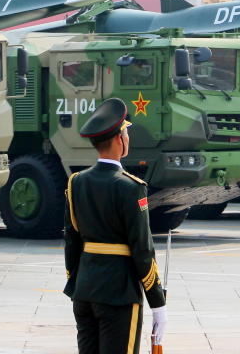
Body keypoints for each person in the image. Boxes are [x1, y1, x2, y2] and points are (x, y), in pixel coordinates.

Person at [64, 98, 167, 353]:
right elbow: (143, 250)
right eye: (127, 132)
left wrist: (78, 283)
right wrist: (158, 303)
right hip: (119, 293)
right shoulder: (131, 187)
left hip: (85, 292)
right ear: (120, 138)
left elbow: (72, 241)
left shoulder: (76, 182)